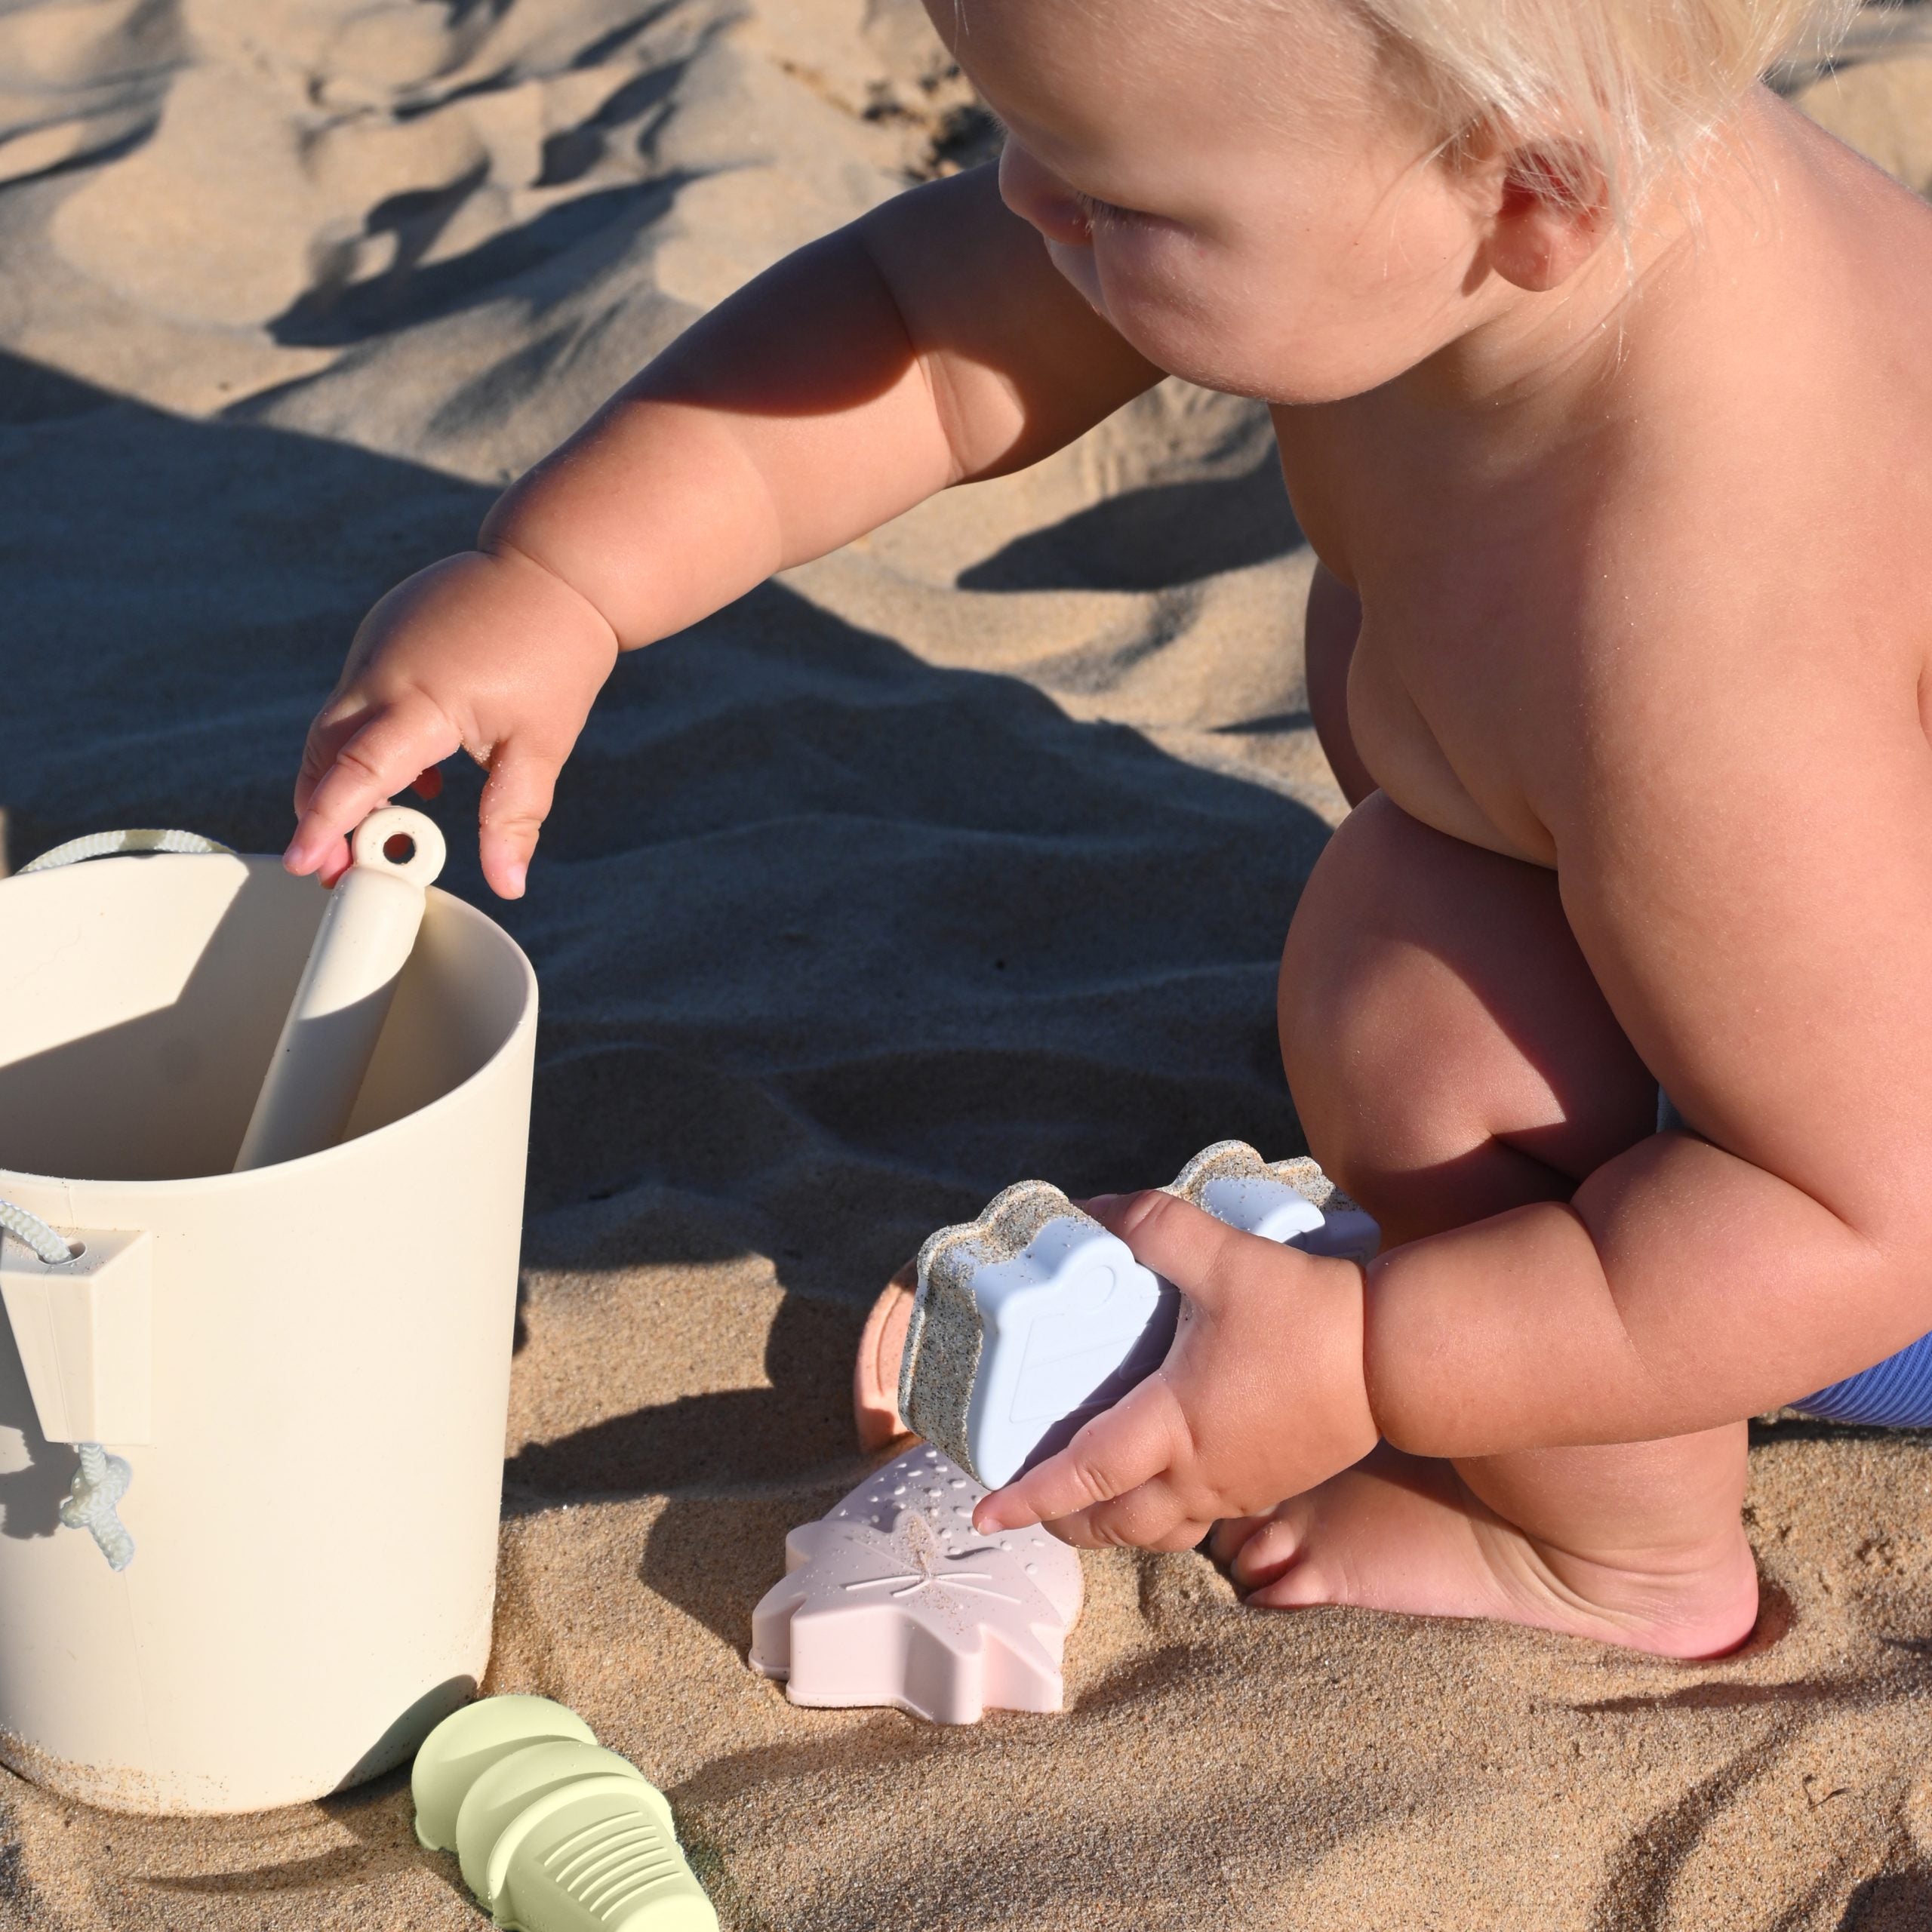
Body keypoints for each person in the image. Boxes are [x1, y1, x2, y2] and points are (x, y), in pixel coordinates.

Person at [288, 0, 1932, 1657]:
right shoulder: (1468, 188)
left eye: (1114, 201)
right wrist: (566, 582)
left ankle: (1618, 1561)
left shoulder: (1713, 639)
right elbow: (926, 328)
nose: (1019, 204)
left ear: (1526, 191)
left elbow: (1852, 1213)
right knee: (1429, 915)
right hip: (1798, 1013)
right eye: (1024, 137)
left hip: (1851, 1222)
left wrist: (1366, 1355)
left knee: (1407, 994)